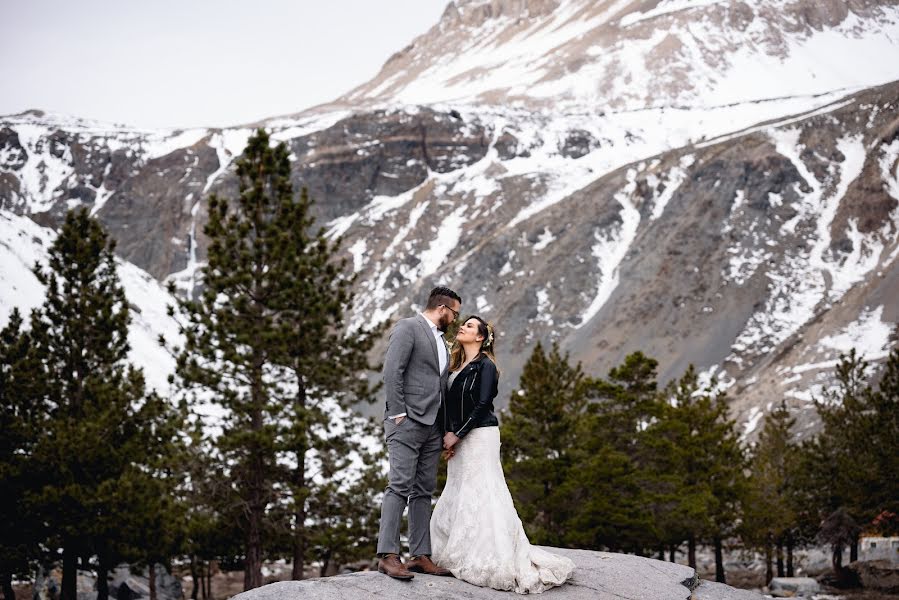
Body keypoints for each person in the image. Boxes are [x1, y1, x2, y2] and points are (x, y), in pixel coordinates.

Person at [431, 316, 575, 594]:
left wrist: (457, 434)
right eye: (465, 324)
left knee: (485, 490)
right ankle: (457, 550)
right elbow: (449, 404)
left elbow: (483, 403)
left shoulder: (486, 366)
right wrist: (448, 436)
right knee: (460, 489)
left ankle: (494, 556)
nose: (463, 327)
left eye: (471, 326)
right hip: (460, 437)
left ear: (481, 338)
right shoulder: (455, 366)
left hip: (481, 435)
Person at [376, 286, 462, 580]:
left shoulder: (442, 341)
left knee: (423, 490)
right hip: (407, 422)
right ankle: (387, 555)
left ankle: (419, 556)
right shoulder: (408, 328)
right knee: (399, 486)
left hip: (433, 427)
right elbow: (392, 371)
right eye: (455, 313)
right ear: (442, 309)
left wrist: (444, 427)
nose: (455, 320)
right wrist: (398, 413)